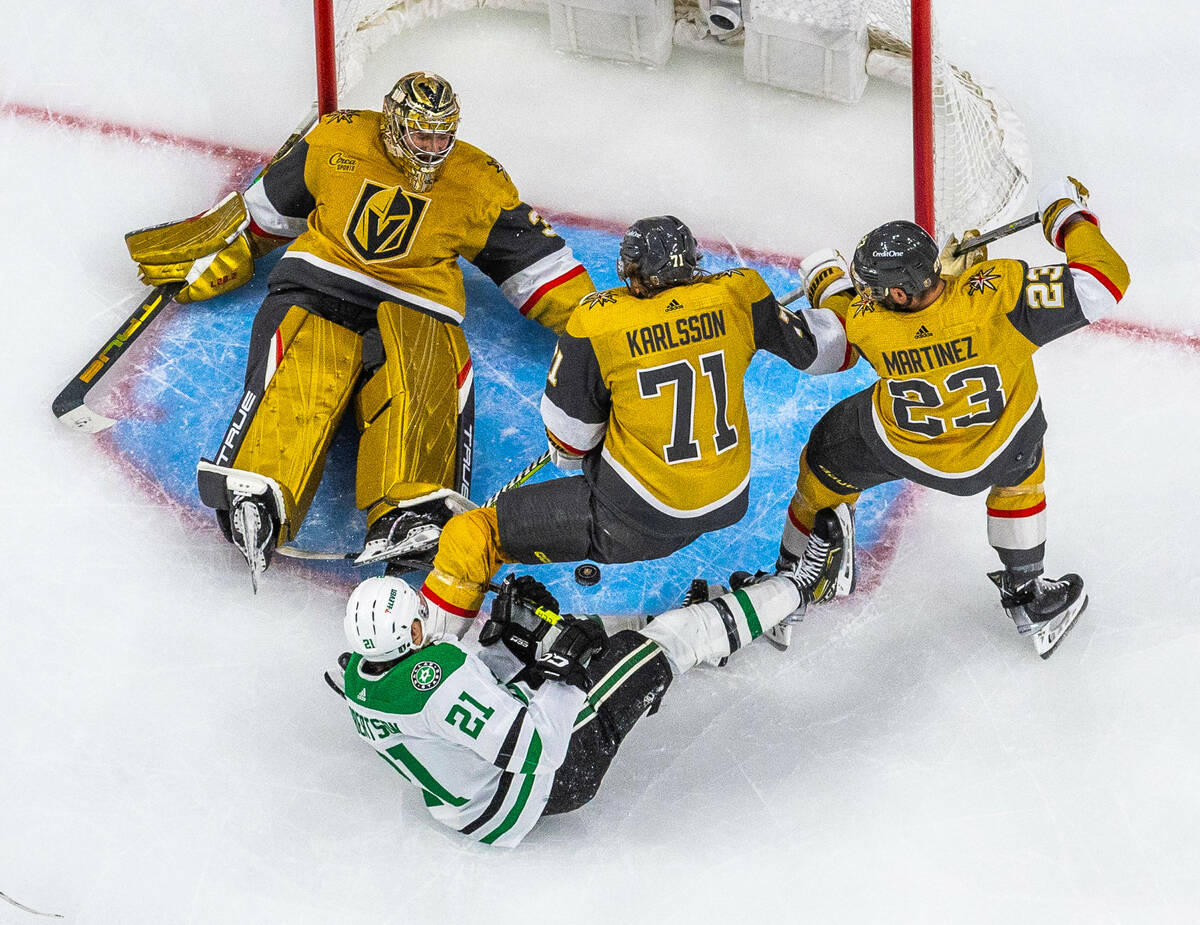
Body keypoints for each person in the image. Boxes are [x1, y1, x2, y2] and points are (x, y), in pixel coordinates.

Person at [128, 72, 595, 589]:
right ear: (395, 124)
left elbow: (539, 268)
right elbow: (265, 213)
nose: (435, 149)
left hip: (420, 305)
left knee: (422, 379)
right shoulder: (336, 138)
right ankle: (260, 487)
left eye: (444, 137)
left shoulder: (477, 178)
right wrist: (215, 253)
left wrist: (599, 328)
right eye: (423, 135)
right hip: (315, 287)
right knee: (304, 364)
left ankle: (410, 507)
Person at [414, 214, 855, 638]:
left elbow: (569, 445)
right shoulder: (740, 292)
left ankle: (425, 658)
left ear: (632, 273)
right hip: (726, 501)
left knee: (474, 534)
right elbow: (827, 352)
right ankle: (785, 588)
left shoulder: (600, 319)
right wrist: (829, 284)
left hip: (632, 520)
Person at [774, 177, 1130, 657]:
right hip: (1003, 443)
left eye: (874, 288)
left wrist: (825, 279)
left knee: (825, 456)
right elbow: (1105, 280)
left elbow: (834, 339)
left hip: (909, 451)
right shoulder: (1000, 290)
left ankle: (796, 578)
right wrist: (1064, 216)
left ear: (898, 295)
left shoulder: (869, 321)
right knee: (1022, 468)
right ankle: (1029, 595)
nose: (869, 295)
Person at [332, 533, 837, 846]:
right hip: (545, 782)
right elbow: (538, 749)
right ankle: (803, 586)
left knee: (576, 630)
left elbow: (458, 713)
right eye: (419, 620)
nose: (427, 619)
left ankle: (717, 637)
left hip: (476, 797)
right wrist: (563, 670)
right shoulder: (434, 676)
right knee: (660, 643)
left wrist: (513, 645)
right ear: (410, 636)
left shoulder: (362, 674)